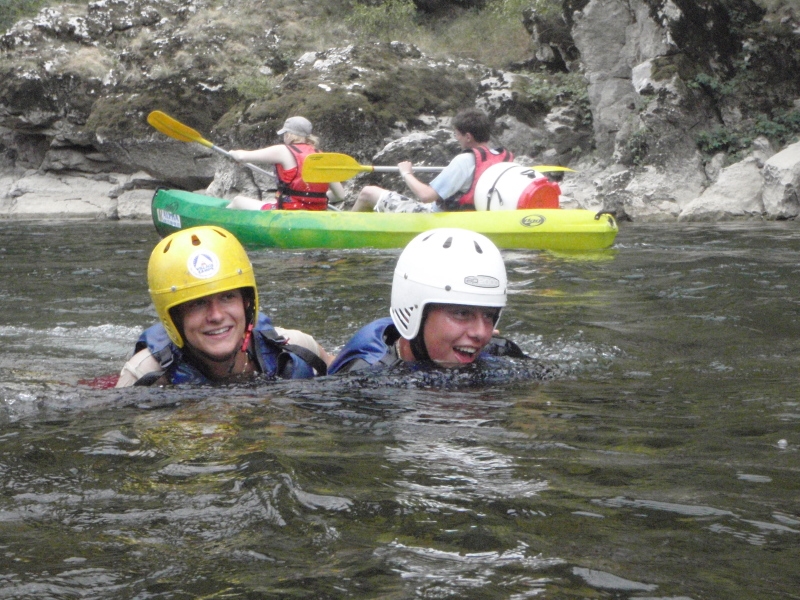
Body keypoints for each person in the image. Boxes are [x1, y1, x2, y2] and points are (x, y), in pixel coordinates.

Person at [116, 226, 332, 387]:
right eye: (198, 303)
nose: (216, 315)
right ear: (173, 318)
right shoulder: (143, 375)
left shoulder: (296, 348)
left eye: (228, 297)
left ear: (247, 303)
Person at [328, 228, 528, 374]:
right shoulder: (366, 376)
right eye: (461, 313)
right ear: (415, 313)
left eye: (489, 316)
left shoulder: (500, 353)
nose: (482, 333)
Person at [351, 108, 513, 213]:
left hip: (436, 218)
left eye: (457, 134)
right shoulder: (505, 158)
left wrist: (406, 173)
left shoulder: (464, 160)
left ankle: (346, 227)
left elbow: (426, 196)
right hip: (478, 216)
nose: (456, 138)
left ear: (468, 137)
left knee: (367, 192)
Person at [226, 116, 346, 211]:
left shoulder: (283, 151)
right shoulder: (322, 157)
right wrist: (310, 199)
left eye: (284, 134)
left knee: (237, 201)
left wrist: (232, 153)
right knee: (273, 202)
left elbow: (242, 156)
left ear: (288, 135)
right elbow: (340, 195)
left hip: (289, 212)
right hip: (317, 212)